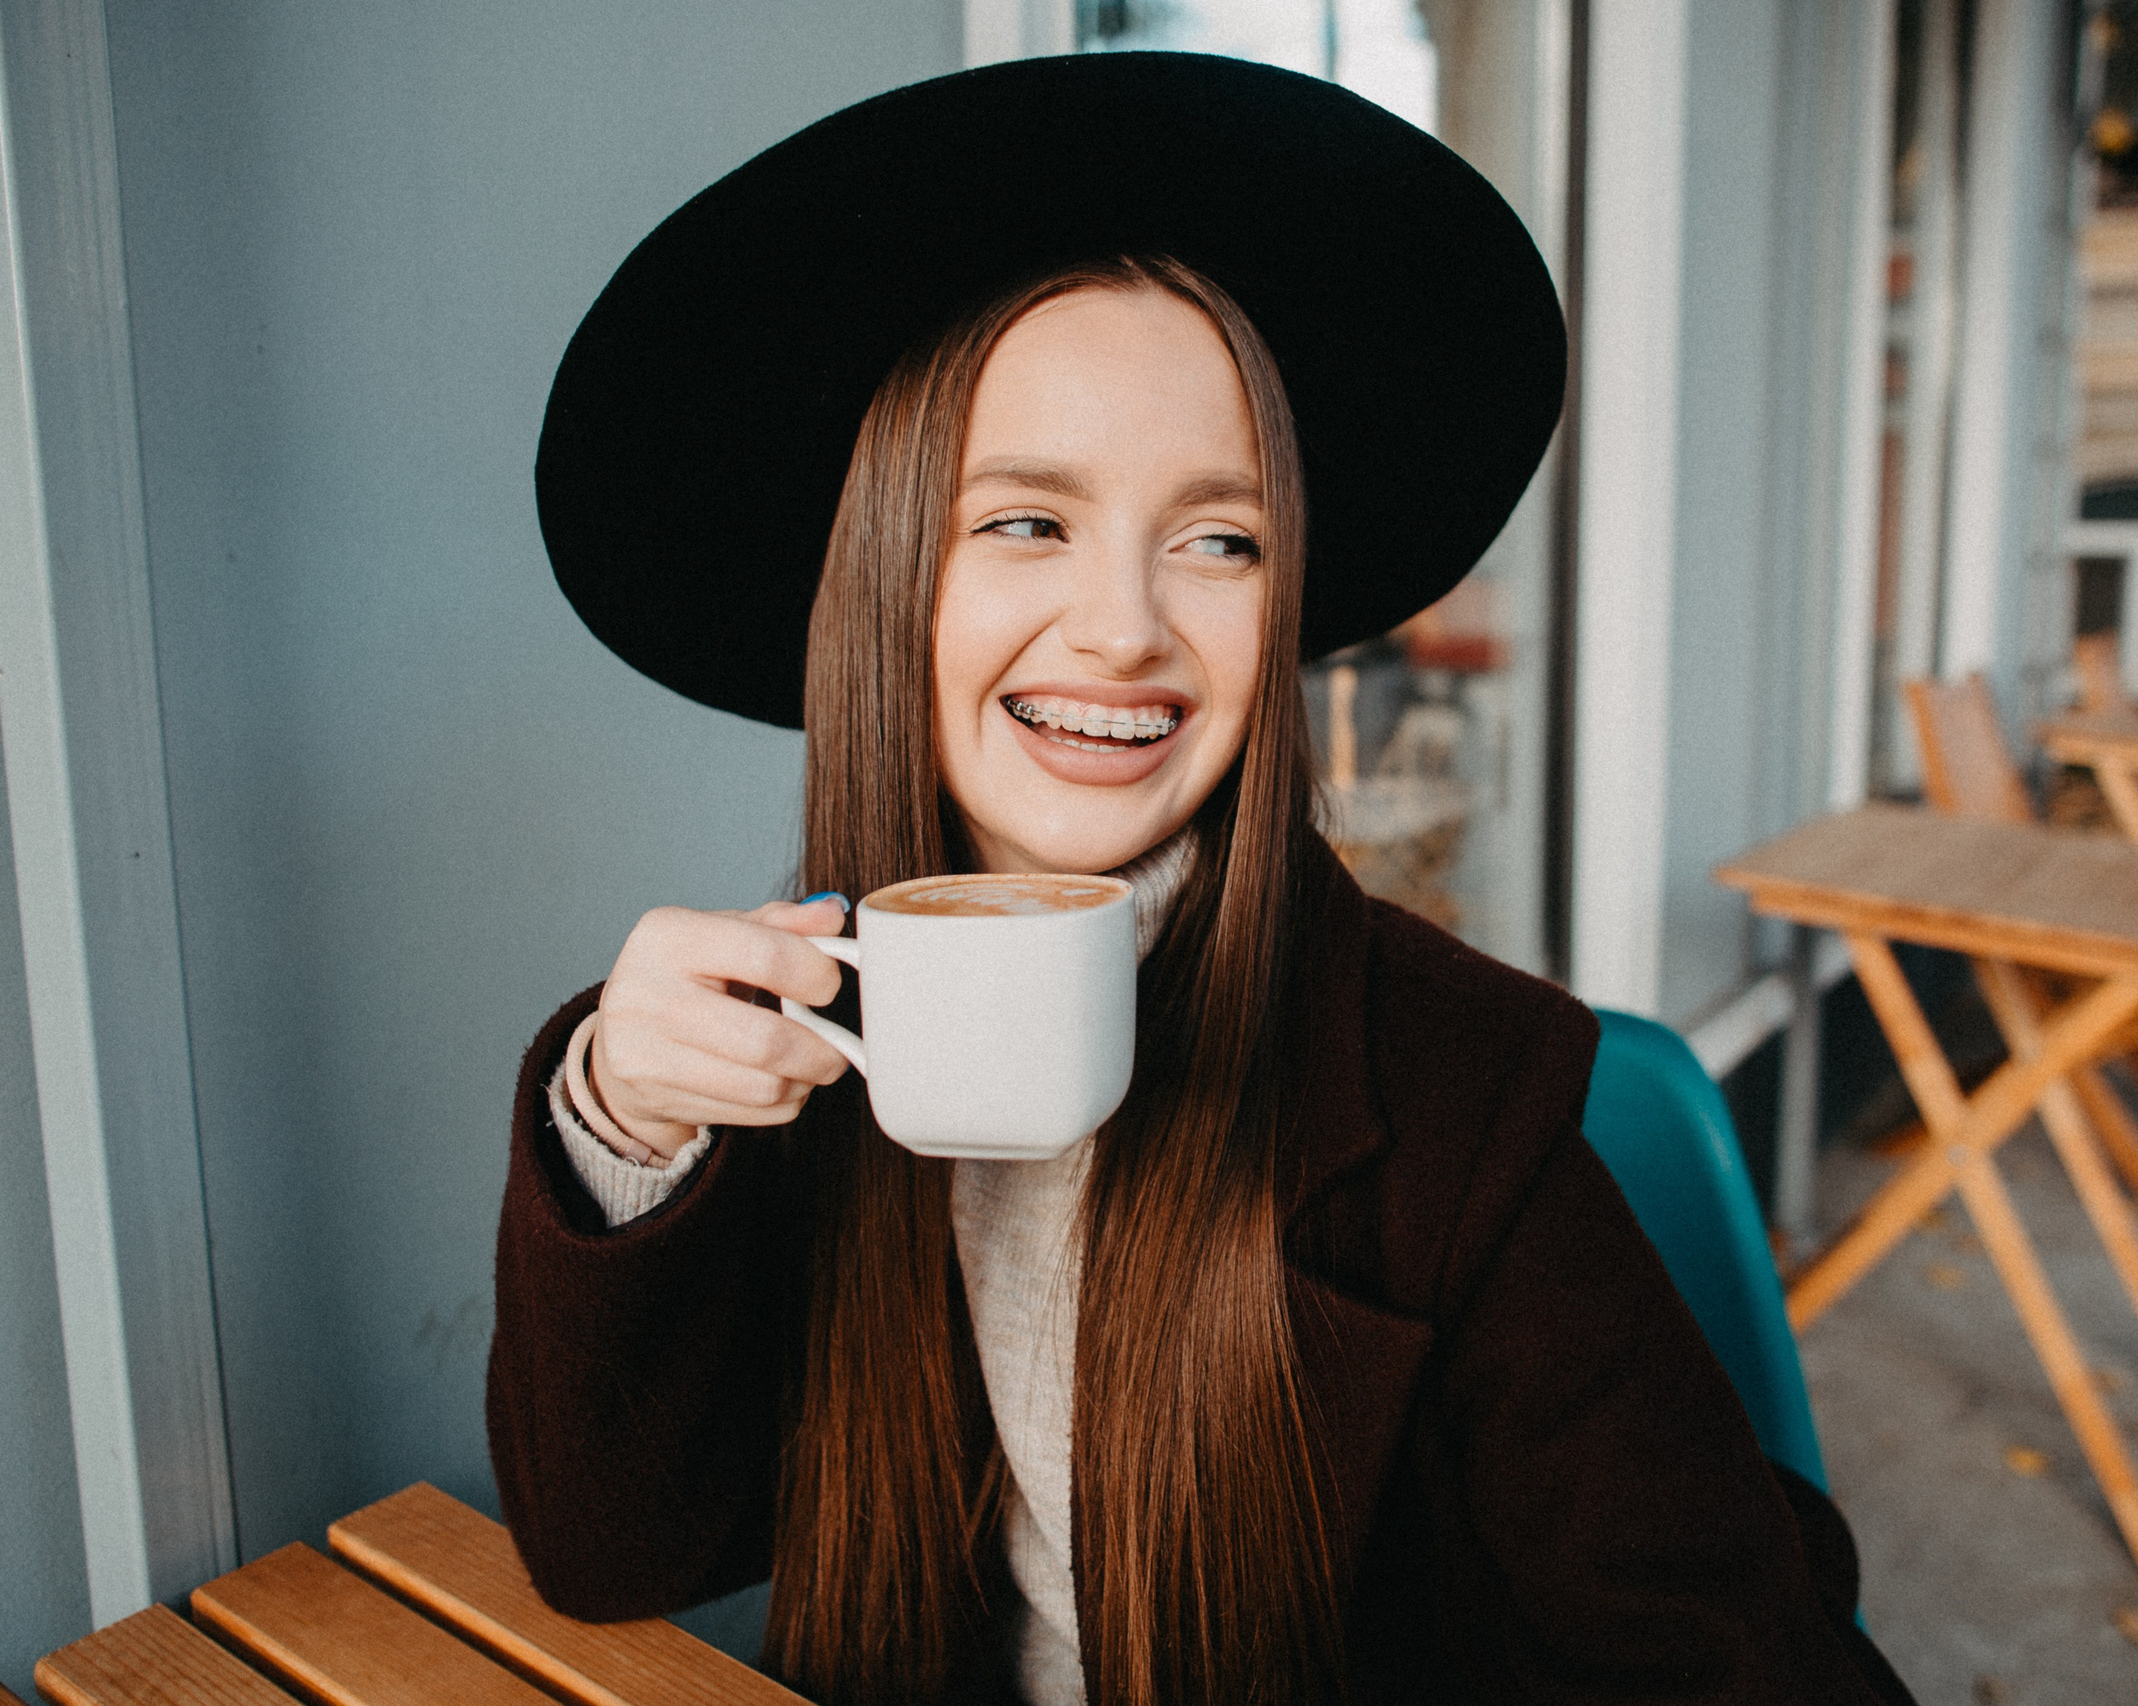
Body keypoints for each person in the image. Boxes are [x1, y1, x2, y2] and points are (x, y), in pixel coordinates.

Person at [491, 52, 1910, 1706]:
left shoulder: (1458, 1095)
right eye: (1027, 522)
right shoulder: (797, 1048)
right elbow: (610, 1551)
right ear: (885, 580)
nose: (1124, 628)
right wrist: (626, 1123)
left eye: (1220, 539)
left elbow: (1747, 1652)